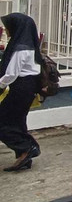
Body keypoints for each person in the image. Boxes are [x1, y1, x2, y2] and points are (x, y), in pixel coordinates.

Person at [0, 13, 43, 172]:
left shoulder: (22, 48)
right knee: (17, 121)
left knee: (3, 121)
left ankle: (27, 147)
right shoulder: (26, 43)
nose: (6, 30)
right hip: (26, 86)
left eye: (8, 26)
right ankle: (23, 156)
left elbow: (12, 73)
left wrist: (1, 84)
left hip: (22, 86)